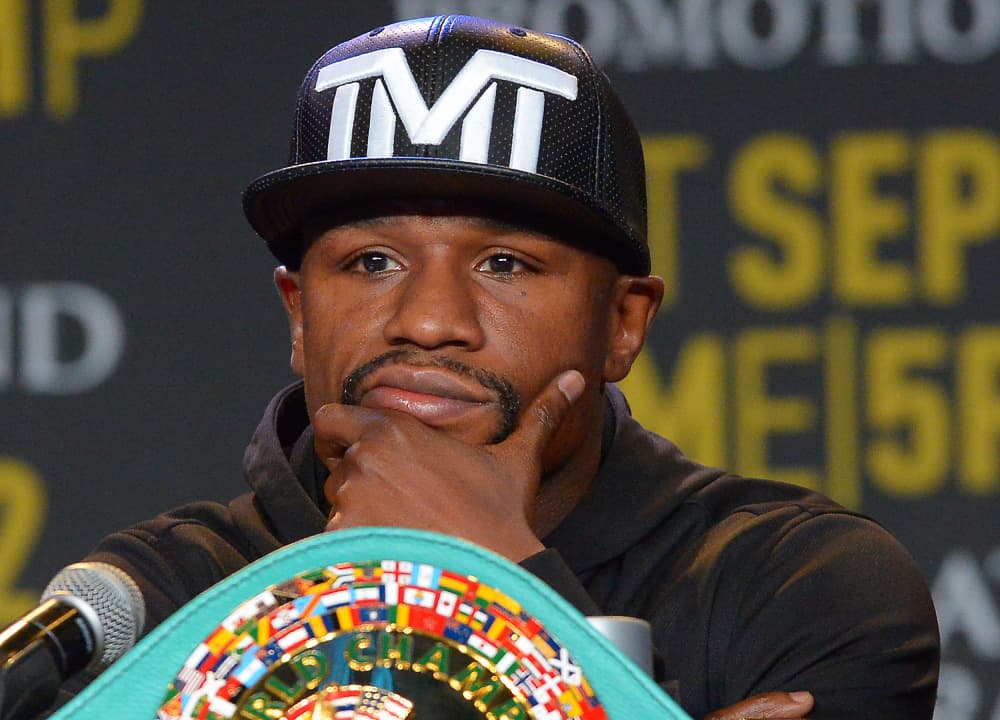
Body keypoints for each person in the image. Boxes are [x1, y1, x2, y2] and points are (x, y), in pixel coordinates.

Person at [63, 14, 938, 719]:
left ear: (622, 324)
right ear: (299, 313)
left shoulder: (797, 588)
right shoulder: (162, 599)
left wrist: (492, 581)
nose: (429, 321)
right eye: (373, 262)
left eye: (505, 263)